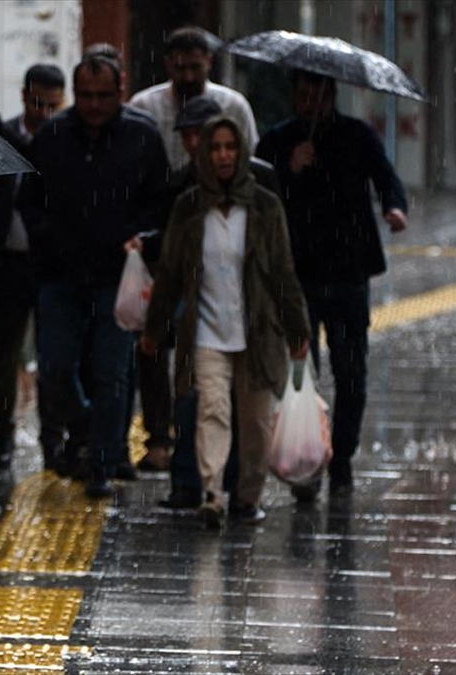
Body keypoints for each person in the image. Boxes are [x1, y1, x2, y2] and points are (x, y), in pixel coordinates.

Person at [142, 116, 310, 528]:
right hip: (206, 332)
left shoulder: (264, 206)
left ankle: (247, 498)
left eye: (230, 147)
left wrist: (297, 329)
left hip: (257, 332)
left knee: (256, 424)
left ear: (242, 152)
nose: (222, 155)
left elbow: (283, 271)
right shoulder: (189, 208)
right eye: (215, 147)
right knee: (211, 411)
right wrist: (154, 329)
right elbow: (170, 274)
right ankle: (213, 494)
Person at [21, 53, 171, 498]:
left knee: (112, 371)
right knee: (56, 367)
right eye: (85, 96)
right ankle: (87, 428)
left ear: (120, 90)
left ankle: (103, 460)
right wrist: (48, 240)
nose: (93, 105)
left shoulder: (142, 136)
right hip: (61, 274)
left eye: (103, 96)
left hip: (118, 275)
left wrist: (143, 239)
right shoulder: (52, 135)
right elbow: (29, 200)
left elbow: (160, 204)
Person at [255, 70, 408, 500]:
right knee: (302, 372)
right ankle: (306, 461)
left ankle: (341, 458)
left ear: (332, 95)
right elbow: (260, 196)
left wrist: (394, 208)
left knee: (351, 372)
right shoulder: (278, 141)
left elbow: (386, 177)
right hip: (296, 275)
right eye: (303, 96)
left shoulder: (357, 135)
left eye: (318, 96)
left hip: (348, 272)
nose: (311, 104)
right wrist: (290, 170)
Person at [0, 64, 66, 480]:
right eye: (38, 103)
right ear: (24, 96)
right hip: (6, 262)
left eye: (52, 105)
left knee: (53, 356)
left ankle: (53, 439)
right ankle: (2, 434)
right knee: (0, 355)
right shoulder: (2, 134)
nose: (44, 112)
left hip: (49, 262)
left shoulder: (64, 140)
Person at [129, 26, 259, 174]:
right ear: (167, 64)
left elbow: (249, 157)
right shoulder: (144, 106)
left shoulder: (233, 106)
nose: (188, 77)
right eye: (180, 68)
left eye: (195, 67)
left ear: (209, 61)